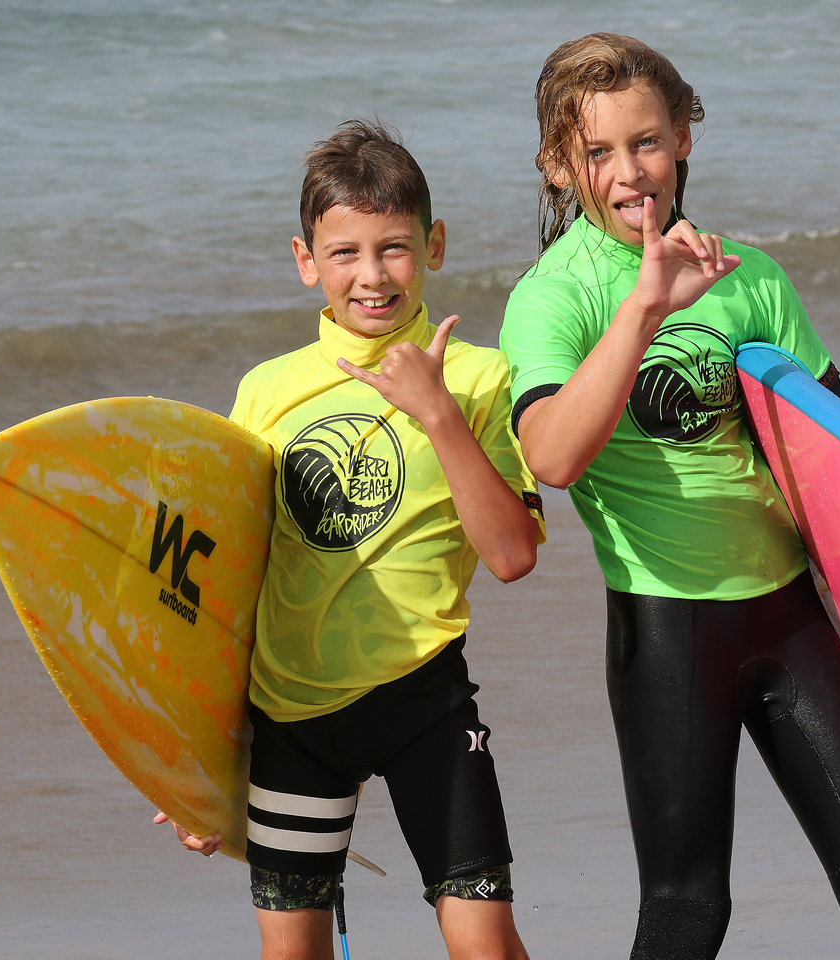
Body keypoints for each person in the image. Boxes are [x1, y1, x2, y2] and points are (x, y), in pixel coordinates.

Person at [498, 34, 840, 960]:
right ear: (558, 164)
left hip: (791, 618)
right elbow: (552, 456)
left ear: (685, 136)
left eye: (648, 142)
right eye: (600, 152)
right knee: (690, 912)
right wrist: (647, 308)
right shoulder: (553, 299)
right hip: (670, 633)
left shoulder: (753, 280)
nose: (630, 172)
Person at [156, 119, 544, 960]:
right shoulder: (266, 392)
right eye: (345, 254)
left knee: (486, 946)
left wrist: (437, 412)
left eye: (395, 248)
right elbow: (221, 581)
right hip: (289, 718)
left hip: (424, 705)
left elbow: (513, 555)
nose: (372, 276)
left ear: (433, 245)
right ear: (306, 261)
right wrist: (190, 760)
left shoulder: (478, 379)